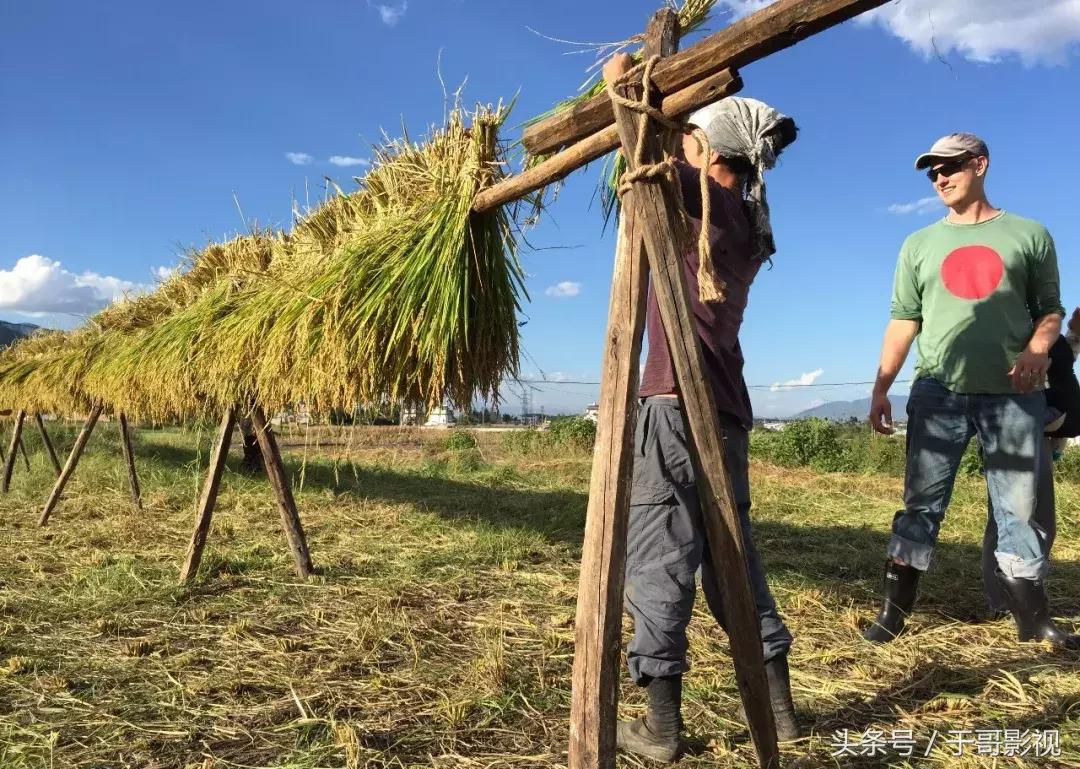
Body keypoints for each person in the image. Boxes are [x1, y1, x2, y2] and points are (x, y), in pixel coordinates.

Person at [600, 53, 801, 764]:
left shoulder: (702, 197)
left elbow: (640, 155)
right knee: (733, 557)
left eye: (692, 137)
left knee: (657, 556)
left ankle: (660, 727)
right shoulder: (744, 221)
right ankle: (781, 710)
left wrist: (626, 85)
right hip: (725, 411)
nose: (681, 143)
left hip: (674, 404)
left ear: (713, 152)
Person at [866, 132, 1078, 650]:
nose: (939, 177)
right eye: (932, 171)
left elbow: (1051, 308)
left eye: (949, 166)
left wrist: (1038, 349)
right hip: (938, 393)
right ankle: (893, 615)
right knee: (920, 505)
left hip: (1013, 396)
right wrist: (881, 388)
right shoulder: (918, 244)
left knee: (1019, 509)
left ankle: (1032, 618)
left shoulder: (1029, 234)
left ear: (979, 164)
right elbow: (903, 320)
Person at [982, 307, 1080, 615]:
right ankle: (1004, 602)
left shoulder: (1044, 336)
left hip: (1038, 436)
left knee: (1039, 522)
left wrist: (1075, 334)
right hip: (1018, 435)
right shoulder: (1009, 336)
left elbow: (1061, 363)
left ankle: (1019, 594)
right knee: (1013, 520)